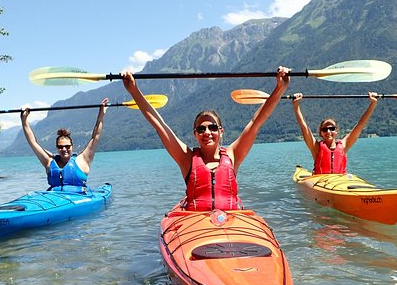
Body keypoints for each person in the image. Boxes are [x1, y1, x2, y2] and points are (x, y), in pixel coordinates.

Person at [121, 67, 290, 211]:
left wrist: (280, 88)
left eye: (213, 127)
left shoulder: (232, 155)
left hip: (231, 222)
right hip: (197, 226)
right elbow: (159, 124)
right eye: (201, 129)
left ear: (221, 131)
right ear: (195, 134)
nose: (207, 132)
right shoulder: (186, 158)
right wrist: (134, 90)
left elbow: (256, 121)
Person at [20, 98, 109, 193]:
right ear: (57, 148)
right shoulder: (49, 161)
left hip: (79, 198)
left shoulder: (83, 159)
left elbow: (95, 137)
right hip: (54, 199)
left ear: (72, 146)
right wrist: (24, 120)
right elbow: (33, 142)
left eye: (67, 146)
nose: (64, 149)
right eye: (60, 147)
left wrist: (101, 114)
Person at [292, 92, 378, 175]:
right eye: (325, 129)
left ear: (336, 131)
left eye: (332, 129)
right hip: (322, 181)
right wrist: (296, 105)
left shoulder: (344, 145)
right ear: (321, 133)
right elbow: (304, 127)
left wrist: (373, 103)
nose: (328, 132)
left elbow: (360, 125)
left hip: (340, 182)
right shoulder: (316, 147)